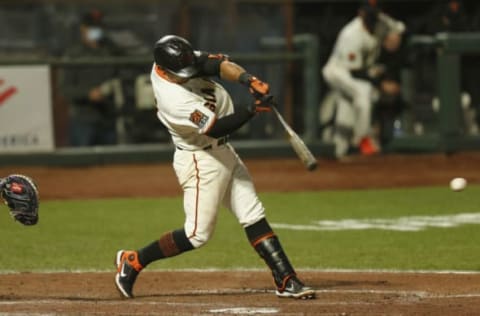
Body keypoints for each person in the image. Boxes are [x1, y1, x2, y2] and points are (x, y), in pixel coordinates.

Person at [114, 35, 315, 300]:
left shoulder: (179, 59)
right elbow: (214, 128)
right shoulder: (172, 98)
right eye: (181, 73)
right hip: (200, 160)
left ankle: (286, 279)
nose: (186, 75)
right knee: (197, 235)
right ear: (164, 70)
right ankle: (134, 260)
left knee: (252, 214)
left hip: (224, 151)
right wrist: (252, 109)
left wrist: (249, 80)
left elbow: (215, 64)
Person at [321, 0, 405, 158]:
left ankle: (341, 150)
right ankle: (362, 139)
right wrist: (381, 84)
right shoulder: (351, 34)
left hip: (360, 71)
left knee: (348, 105)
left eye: (375, 12)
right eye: (369, 13)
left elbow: (399, 28)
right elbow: (355, 71)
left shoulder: (382, 21)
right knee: (364, 94)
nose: (373, 17)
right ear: (361, 13)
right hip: (339, 72)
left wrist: (395, 36)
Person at [60, 9, 124, 146]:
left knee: (111, 165)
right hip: (83, 120)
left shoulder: (112, 51)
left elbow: (121, 78)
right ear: (83, 29)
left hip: (108, 119)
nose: (97, 31)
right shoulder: (73, 54)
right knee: (81, 165)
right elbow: (65, 89)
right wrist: (88, 94)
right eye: (93, 27)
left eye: (99, 27)